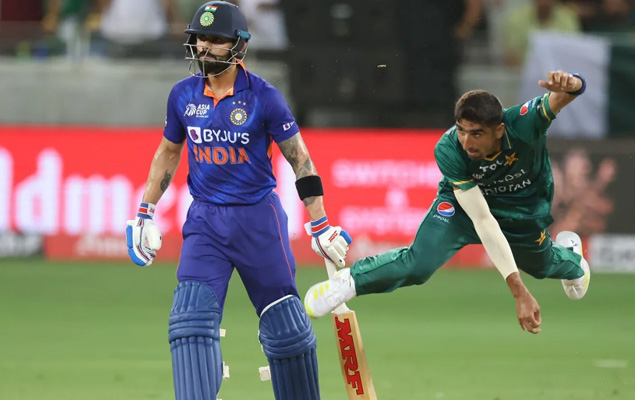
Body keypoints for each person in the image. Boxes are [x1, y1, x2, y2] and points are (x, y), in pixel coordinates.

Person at [124, 2, 350, 400]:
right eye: (200, 38)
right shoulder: (182, 95)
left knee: (286, 330)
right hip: (205, 222)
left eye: (216, 40)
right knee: (189, 322)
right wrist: (144, 211)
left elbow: (300, 159)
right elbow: (169, 152)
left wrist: (320, 223)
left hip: (257, 220)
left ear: (238, 46)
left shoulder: (264, 97)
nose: (205, 46)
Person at [305, 70, 591, 335]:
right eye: (462, 130)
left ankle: (573, 259)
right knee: (418, 264)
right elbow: (482, 220)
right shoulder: (449, 148)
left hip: (524, 211)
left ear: (499, 130)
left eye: (477, 133)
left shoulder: (523, 123)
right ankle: (347, 283)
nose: (466, 142)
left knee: (542, 267)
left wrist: (573, 82)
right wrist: (518, 291)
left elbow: (566, 94)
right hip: (466, 209)